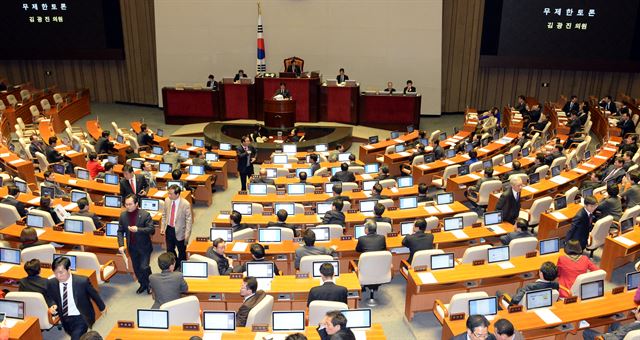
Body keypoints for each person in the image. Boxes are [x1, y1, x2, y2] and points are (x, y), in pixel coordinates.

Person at [46, 256, 106, 340]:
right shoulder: (51, 283)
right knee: (74, 334)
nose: (58, 276)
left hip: (81, 316)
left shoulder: (82, 281)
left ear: (69, 269)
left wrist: (102, 307)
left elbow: (94, 294)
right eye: (55, 273)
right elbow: (48, 296)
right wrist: (52, 304)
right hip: (64, 317)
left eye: (61, 273)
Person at [118, 195, 155, 294]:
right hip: (132, 247)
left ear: (136, 204)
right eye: (126, 204)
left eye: (130, 204)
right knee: (137, 269)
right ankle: (142, 284)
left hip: (144, 247)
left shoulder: (145, 215)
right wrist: (121, 244)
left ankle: (150, 284)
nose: (128, 206)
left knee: (144, 267)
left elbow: (151, 229)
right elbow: (120, 231)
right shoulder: (123, 216)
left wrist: (138, 229)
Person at [161, 185, 192, 265]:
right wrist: (162, 227)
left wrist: (187, 235)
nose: (169, 195)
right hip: (169, 229)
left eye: (171, 194)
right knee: (170, 250)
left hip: (180, 231)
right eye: (168, 193)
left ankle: (181, 266)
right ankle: (174, 265)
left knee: (181, 251)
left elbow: (189, 221)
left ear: (177, 194)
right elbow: (164, 215)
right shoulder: (167, 200)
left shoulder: (185, 204)